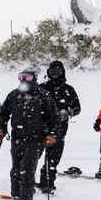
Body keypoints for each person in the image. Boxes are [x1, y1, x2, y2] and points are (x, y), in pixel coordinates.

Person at [0, 68, 57, 200]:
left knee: (27, 168)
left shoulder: (43, 95)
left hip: (35, 138)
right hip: (17, 137)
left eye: (28, 77)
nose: (24, 80)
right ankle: (16, 195)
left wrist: (52, 134)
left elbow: (53, 118)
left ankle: (26, 199)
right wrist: (1, 128)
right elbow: (3, 113)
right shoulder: (14, 95)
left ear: (34, 79)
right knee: (16, 168)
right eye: (21, 77)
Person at [38, 60, 80, 192]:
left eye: (57, 71)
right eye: (52, 71)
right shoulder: (42, 88)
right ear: (49, 72)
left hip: (60, 129)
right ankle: (25, 181)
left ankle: (47, 182)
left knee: (52, 158)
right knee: (32, 156)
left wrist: (68, 112)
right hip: (40, 128)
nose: (55, 74)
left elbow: (77, 108)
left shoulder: (68, 90)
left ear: (62, 72)